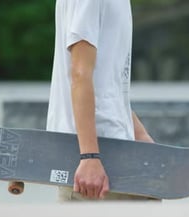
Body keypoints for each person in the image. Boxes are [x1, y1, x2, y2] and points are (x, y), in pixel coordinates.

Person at [46, 0, 155, 201]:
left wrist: (141, 137)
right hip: (96, 166)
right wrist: (89, 157)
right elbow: (80, 74)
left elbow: (108, 88)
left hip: (120, 154)